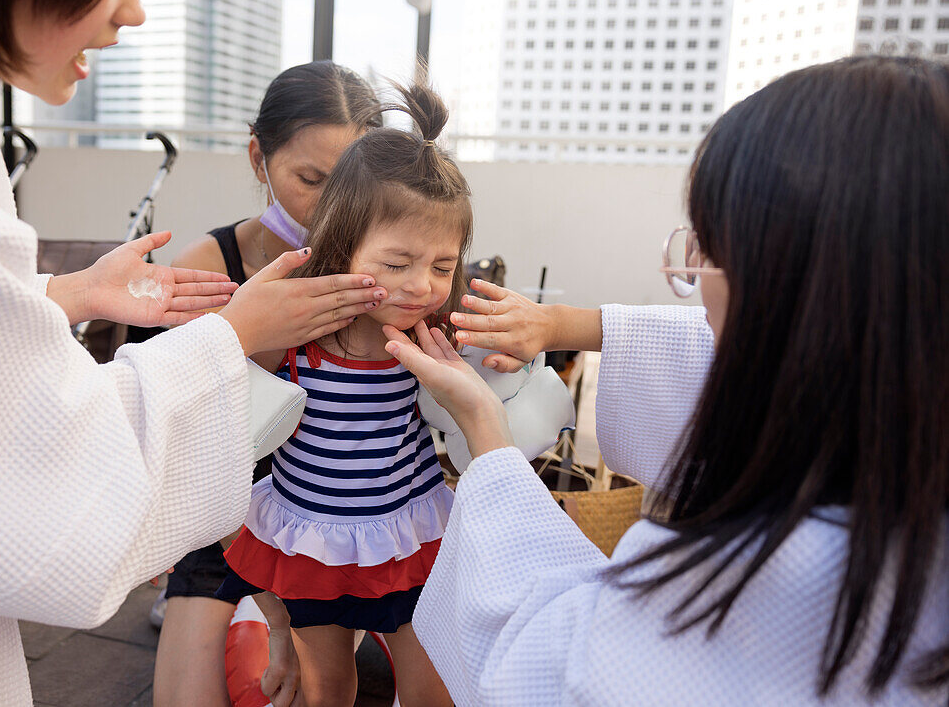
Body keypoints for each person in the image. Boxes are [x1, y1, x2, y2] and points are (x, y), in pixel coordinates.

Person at [0, 0, 388, 704]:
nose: (134, 10)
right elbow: (37, 462)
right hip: (232, 527)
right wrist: (236, 337)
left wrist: (54, 295)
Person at [383, 56, 949, 705]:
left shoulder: (774, 585)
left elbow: (551, 667)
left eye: (709, 251)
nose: (694, 283)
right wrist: (562, 324)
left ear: (792, 286)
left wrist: (486, 432)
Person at [213, 83, 468, 707]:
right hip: (312, 539)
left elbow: (491, 397)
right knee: (328, 688)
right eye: (398, 261)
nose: (420, 285)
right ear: (342, 243)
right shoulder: (298, 331)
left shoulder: (430, 333)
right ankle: (273, 629)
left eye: (443, 266)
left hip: (405, 535)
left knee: (432, 688)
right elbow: (224, 395)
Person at [152, 61, 382, 707]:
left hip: (333, 531)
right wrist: (278, 617)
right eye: (310, 180)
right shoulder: (208, 268)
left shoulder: (381, 270)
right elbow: (193, 450)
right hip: (224, 525)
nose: (334, 206)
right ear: (260, 157)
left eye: (352, 183)